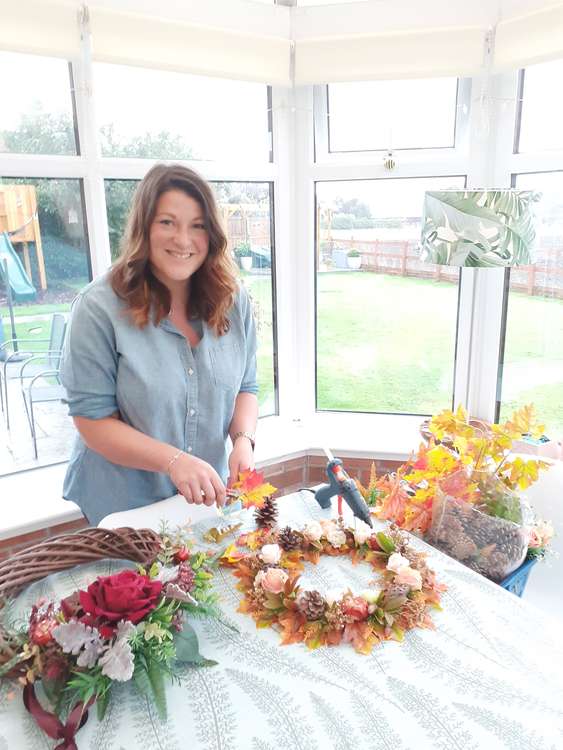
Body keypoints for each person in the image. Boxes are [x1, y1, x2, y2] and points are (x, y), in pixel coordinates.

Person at [60, 164, 258, 525]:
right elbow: (92, 420)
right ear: (144, 227)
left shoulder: (234, 299)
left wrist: (243, 440)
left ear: (211, 233)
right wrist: (175, 461)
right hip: (123, 503)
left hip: (203, 499)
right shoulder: (98, 308)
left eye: (197, 225)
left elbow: (247, 386)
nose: (183, 240)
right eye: (167, 222)